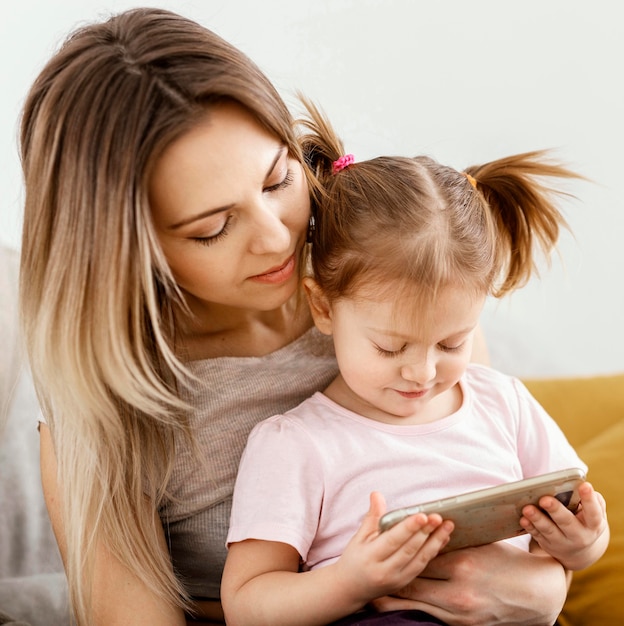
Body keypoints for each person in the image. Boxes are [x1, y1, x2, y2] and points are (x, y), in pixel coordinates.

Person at [19, 7, 578, 626]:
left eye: (278, 179)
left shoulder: (378, 274)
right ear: (124, 247)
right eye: (212, 228)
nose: (276, 237)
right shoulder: (105, 398)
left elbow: (492, 481)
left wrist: (544, 585)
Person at [221, 105, 610, 625]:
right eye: (389, 348)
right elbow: (247, 605)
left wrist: (583, 543)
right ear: (322, 307)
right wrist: (349, 581)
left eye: (452, 343)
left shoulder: (504, 402)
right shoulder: (294, 443)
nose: (423, 373)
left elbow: (570, 531)